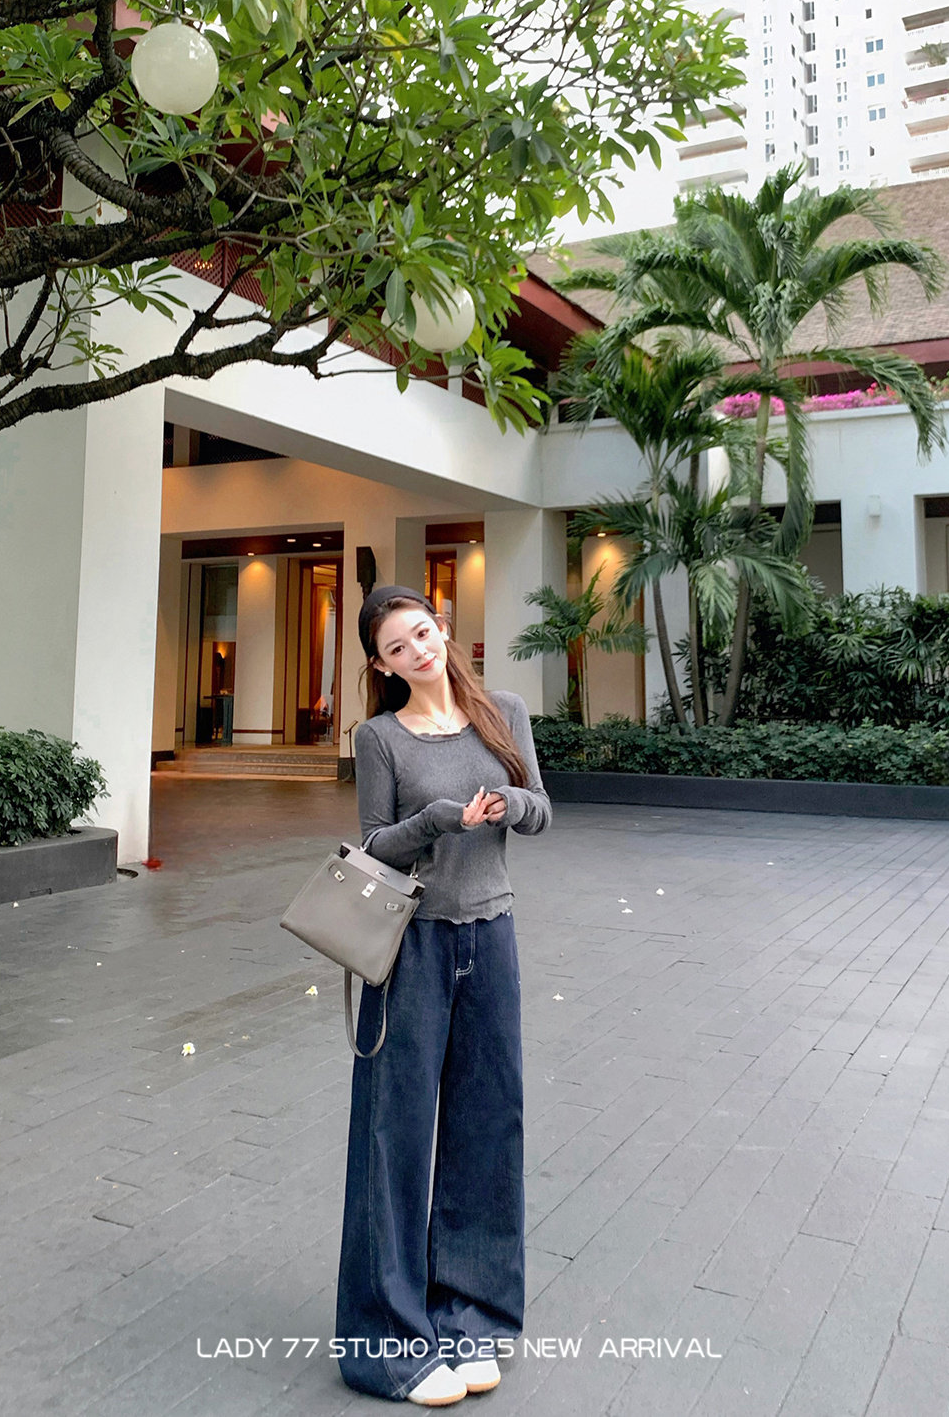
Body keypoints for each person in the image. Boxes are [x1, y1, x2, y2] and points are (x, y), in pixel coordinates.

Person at [336, 584, 552, 1407]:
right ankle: (386, 1342)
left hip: (491, 939)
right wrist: (433, 820)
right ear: (382, 665)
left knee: (489, 1124)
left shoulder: (503, 711)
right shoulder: (379, 737)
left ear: (443, 628)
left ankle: (472, 1315)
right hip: (412, 950)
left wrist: (511, 804)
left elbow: (541, 811)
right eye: (398, 647)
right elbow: (373, 847)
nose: (418, 652)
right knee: (393, 1135)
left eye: (422, 633)